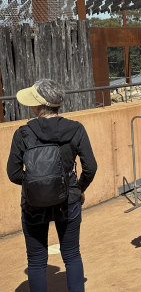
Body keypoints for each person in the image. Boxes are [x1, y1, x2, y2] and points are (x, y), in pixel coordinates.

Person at [6, 79, 98, 292]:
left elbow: (13, 173)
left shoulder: (22, 133)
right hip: (68, 201)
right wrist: (77, 188)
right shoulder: (76, 129)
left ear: (38, 105)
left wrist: (34, 185)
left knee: (37, 260)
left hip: (33, 205)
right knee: (72, 254)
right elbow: (90, 167)